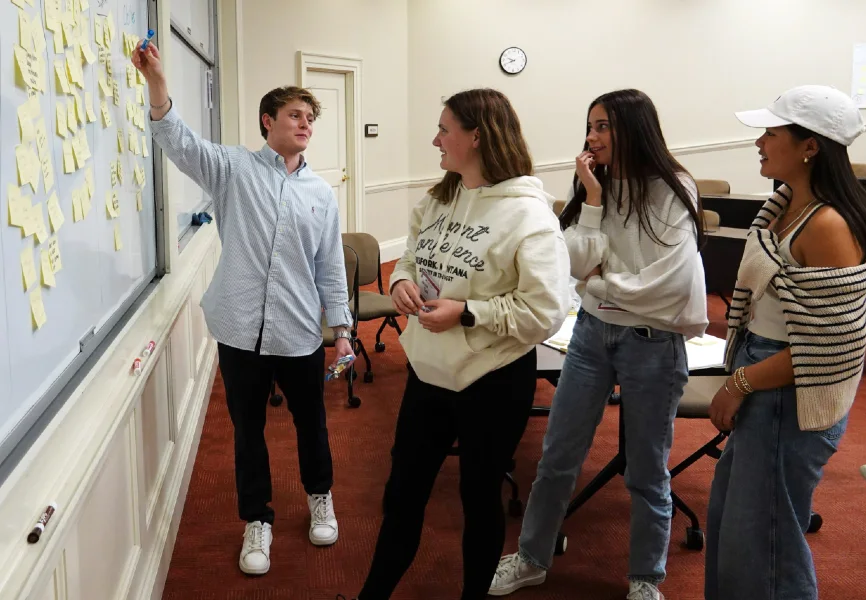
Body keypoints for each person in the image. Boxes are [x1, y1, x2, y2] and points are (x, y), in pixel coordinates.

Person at [132, 42, 356, 575]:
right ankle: (257, 521)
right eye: (294, 115)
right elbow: (178, 141)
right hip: (238, 329)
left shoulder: (321, 195)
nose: (305, 123)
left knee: (312, 424)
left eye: (310, 117)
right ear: (267, 120)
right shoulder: (232, 168)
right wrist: (158, 81)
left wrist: (342, 327)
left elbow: (329, 264)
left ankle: (319, 496)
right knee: (247, 429)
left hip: (300, 329)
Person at [343, 88, 571, 600]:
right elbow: (412, 259)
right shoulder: (440, 197)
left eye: (444, 129)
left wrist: (469, 313)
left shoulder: (529, 216)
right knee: (401, 495)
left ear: (477, 135)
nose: (435, 139)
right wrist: (401, 280)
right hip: (428, 375)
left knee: (478, 498)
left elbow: (545, 310)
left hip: (491, 381)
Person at [489, 89, 708, 600]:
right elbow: (574, 262)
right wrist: (590, 198)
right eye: (590, 126)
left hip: (654, 344)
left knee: (648, 469)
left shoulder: (675, 187)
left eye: (604, 126)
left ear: (635, 127)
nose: (592, 137)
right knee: (557, 457)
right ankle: (531, 558)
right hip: (590, 335)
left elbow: (671, 284)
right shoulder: (597, 186)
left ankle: (645, 579)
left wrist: (602, 285)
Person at [705, 85, 866, 600]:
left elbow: (832, 349)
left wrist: (740, 382)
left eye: (771, 132)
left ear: (811, 145)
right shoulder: (784, 207)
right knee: (737, 531)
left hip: (788, 394)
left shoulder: (826, 225)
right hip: (769, 379)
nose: (759, 142)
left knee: (766, 546)